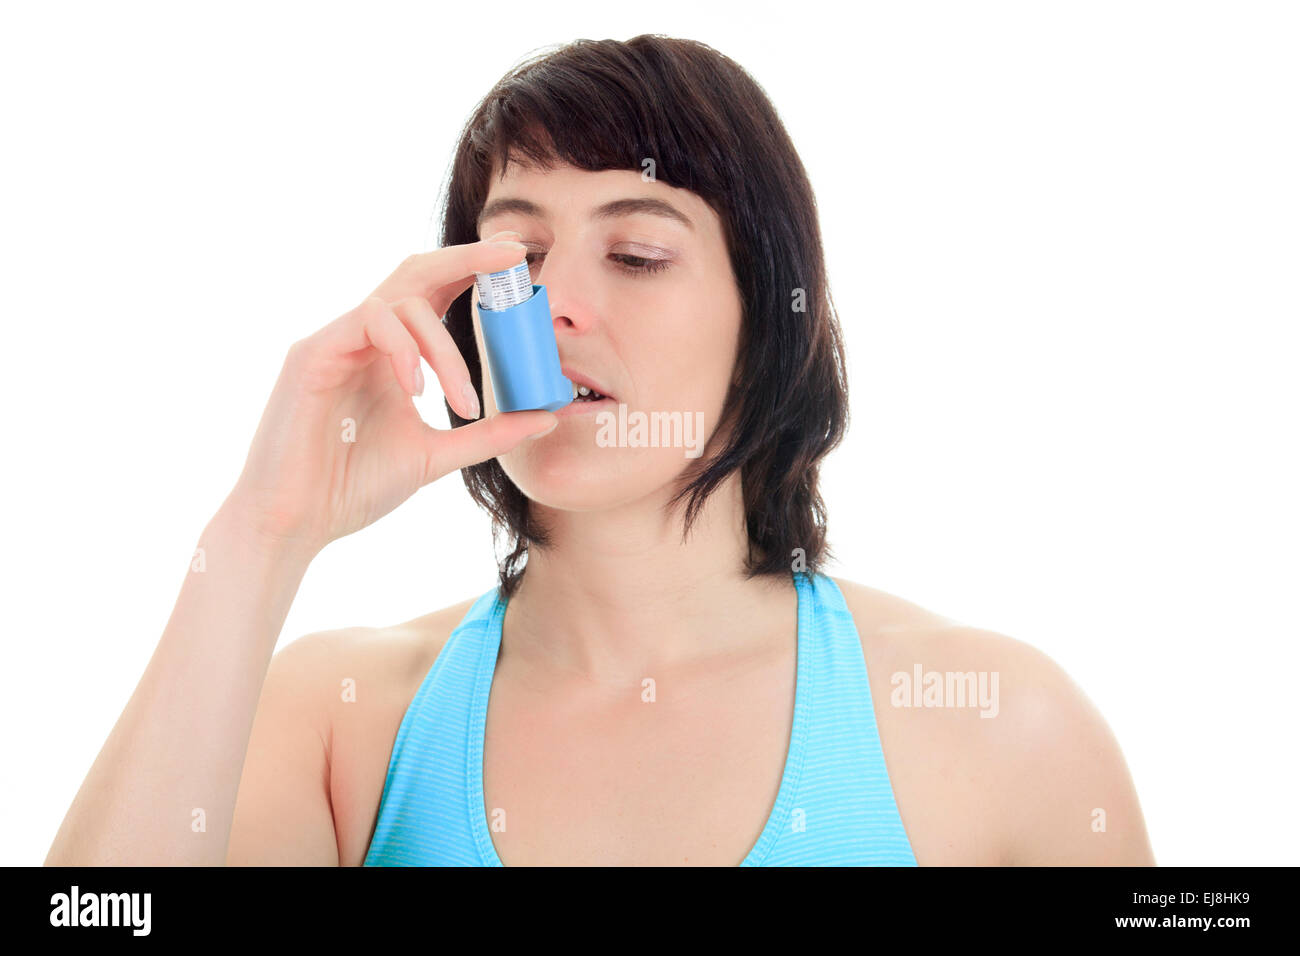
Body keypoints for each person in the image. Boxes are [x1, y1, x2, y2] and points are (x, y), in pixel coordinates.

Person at [45, 35, 1154, 867]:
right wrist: (262, 532)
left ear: (768, 318)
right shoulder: (340, 718)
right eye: (514, 252)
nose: (551, 301)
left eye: (633, 251)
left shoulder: (997, 718)